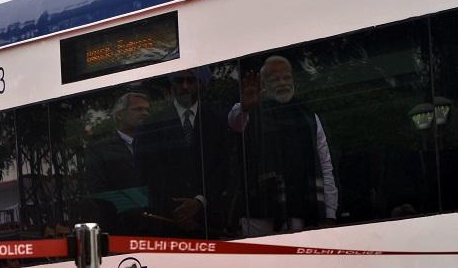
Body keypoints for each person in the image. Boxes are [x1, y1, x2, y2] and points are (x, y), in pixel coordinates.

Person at [228, 55, 338, 236]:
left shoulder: (309, 117)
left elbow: (325, 166)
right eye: (275, 79)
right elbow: (234, 122)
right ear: (263, 84)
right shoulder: (249, 111)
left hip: (305, 210)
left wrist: (330, 213)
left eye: (286, 77)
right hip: (259, 216)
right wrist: (246, 107)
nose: (282, 83)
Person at [135, 68, 229, 238]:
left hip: (209, 223)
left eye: (191, 81)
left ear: (200, 84)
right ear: (172, 86)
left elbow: (224, 167)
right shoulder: (152, 125)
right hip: (167, 224)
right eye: (179, 81)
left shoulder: (218, 119)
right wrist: (177, 213)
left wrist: (200, 201)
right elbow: (148, 174)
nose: (185, 86)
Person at [83, 92, 149, 234]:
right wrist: (132, 210)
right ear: (119, 115)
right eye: (138, 109)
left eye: (147, 110)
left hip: (158, 229)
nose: (145, 113)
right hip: (120, 230)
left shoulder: (156, 145)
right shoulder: (100, 149)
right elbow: (98, 190)